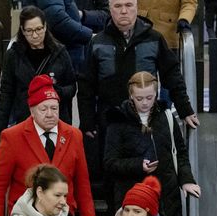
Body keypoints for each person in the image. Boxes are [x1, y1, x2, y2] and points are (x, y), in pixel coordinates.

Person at [0, 75, 96, 216]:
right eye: (43, 108)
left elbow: (82, 182)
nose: (49, 114)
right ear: (32, 110)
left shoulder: (73, 135)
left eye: (54, 108)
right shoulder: (12, 137)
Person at [78, 0, 198, 147]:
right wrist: (87, 122)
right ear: (110, 9)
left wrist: (185, 110)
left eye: (128, 5)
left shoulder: (154, 39)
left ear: (136, 7)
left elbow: (172, 75)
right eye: (118, 6)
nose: (123, 11)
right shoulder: (97, 43)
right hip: (109, 125)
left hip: (146, 124)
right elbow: (86, 87)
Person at [103, 71, 200, 216]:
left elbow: (180, 151)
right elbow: (110, 163)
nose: (145, 103)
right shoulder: (118, 120)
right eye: (139, 99)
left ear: (156, 94)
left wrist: (187, 179)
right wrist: (139, 165)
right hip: (133, 199)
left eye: (149, 97)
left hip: (167, 196)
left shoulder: (166, 116)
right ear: (130, 95)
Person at [0, 6, 80, 144]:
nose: (34, 35)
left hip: (55, 122)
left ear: (45, 27)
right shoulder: (13, 56)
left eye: (38, 29)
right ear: (22, 31)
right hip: (25, 121)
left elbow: (72, 86)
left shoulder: (60, 52)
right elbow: (6, 93)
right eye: (29, 31)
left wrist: (56, 92)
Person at [29, 0, 108, 73]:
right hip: (61, 54)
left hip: (75, 51)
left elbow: (107, 13)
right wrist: (90, 36)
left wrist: (83, 15)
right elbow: (57, 19)